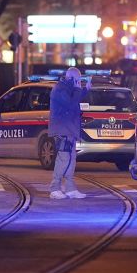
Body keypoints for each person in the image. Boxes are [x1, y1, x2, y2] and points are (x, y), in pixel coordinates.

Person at [47, 67, 91, 200]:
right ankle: (55, 188)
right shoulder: (59, 89)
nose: (79, 83)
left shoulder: (67, 89)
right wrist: (79, 90)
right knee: (64, 159)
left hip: (70, 130)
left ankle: (70, 188)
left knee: (71, 159)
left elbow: (73, 100)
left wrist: (85, 90)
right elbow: (71, 104)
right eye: (77, 80)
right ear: (71, 78)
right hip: (62, 130)